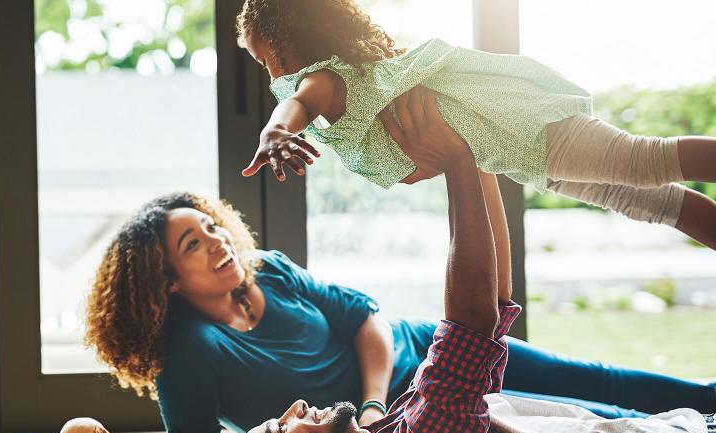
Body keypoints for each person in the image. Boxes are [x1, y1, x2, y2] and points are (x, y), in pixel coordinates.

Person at [230, 91, 716, 433]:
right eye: (280, 429)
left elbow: (493, 306)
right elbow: (469, 328)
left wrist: (475, 157)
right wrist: (457, 162)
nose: (294, 408)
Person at [84, 187, 716, 433]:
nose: (218, 241)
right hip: (411, 426)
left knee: (590, 378)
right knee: (584, 421)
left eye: (211, 228)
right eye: (193, 244)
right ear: (164, 282)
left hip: (425, 357)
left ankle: (708, 400)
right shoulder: (187, 353)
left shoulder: (268, 269)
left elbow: (367, 318)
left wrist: (373, 401)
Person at [235, 0, 716, 250]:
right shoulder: (361, 77)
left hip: (525, 129)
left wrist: (275, 133)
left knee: (643, 161)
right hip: (520, 152)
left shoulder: (326, 81)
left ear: (293, 41)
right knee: (645, 201)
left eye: (267, 59)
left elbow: (296, 103)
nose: (271, 74)